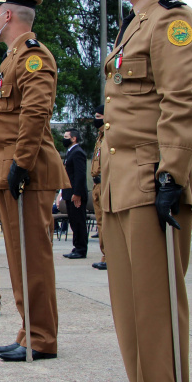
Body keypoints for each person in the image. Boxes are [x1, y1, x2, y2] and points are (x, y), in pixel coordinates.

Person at [89, 0, 192, 382]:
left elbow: (181, 105)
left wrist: (172, 175)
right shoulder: (134, 24)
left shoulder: (173, 22)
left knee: (157, 299)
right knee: (129, 298)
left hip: (152, 178)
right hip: (121, 181)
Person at [0, 0, 67, 364]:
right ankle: (28, 330)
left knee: (32, 257)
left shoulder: (33, 57)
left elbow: (35, 113)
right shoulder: (11, 59)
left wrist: (22, 164)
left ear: (8, 16)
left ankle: (41, 337)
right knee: (19, 257)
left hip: (26, 170)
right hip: (10, 169)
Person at [61, 128, 88, 259]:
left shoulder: (77, 153)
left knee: (79, 222)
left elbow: (80, 175)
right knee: (74, 221)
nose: (64, 139)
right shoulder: (70, 152)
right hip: (69, 192)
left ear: (73, 138)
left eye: (66, 136)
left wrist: (77, 193)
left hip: (75, 194)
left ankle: (81, 249)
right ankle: (77, 246)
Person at [91, 106, 107, 270]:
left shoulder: (110, 137)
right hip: (98, 184)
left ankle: (110, 255)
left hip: (106, 183)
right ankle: (105, 254)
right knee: (101, 222)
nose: (96, 119)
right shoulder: (100, 138)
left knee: (107, 222)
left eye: (98, 116)